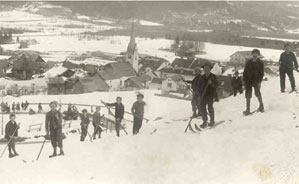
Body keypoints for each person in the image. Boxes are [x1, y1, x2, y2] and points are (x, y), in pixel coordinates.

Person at [243, 49, 264, 115]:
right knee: (248, 95)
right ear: (252, 54)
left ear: (258, 55)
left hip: (256, 81)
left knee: (257, 93)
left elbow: (261, 73)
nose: (255, 55)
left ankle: (261, 106)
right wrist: (244, 80)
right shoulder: (248, 62)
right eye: (254, 53)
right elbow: (245, 72)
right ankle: (247, 109)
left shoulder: (260, 63)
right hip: (248, 81)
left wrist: (260, 81)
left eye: (256, 54)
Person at [198, 62, 219, 128]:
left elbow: (216, 86)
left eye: (207, 69)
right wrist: (199, 95)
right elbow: (199, 86)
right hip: (203, 95)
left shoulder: (213, 77)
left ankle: (212, 121)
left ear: (210, 69)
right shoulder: (202, 77)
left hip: (210, 95)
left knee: (210, 107)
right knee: (202, 107)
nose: (206, 70)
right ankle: (205, 121)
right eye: (205, 69)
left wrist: (211, 83)